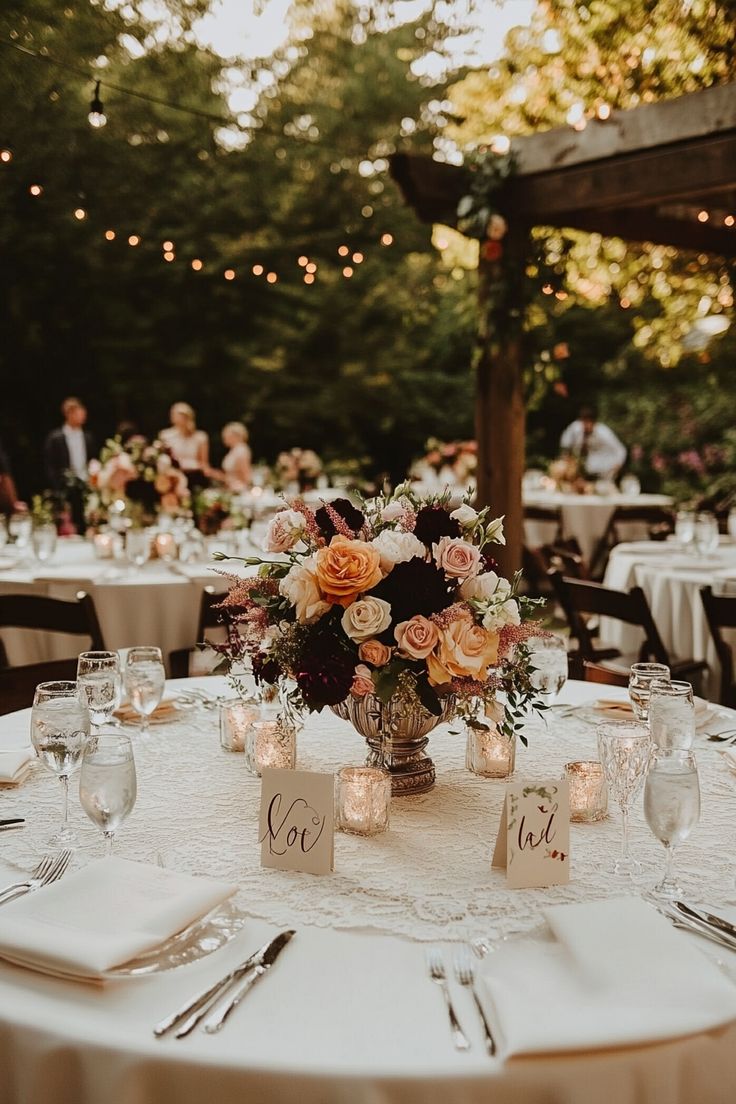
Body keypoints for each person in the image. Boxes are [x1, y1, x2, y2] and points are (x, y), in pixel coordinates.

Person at [559, 405, 626, 480]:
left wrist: (617, 465)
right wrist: (567, 458)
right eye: (583, 422)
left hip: (601, 469)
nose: (586, 425)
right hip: (576, 466)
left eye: (588, 422)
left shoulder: (603, 432)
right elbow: (565, 445)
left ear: (594, 422)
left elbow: (620, 450)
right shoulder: (575, 428)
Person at [159, 402, 209, 489]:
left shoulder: (200, 437)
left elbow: (204, 463)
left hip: (195, 475)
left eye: (183, 416)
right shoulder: (165, 435)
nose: (180, 418)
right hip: (173, 478)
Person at [208, 422, 252, 492]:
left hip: (238, 488)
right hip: (230, 487)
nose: (224, 438)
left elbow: (245, 474)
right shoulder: (234, 450)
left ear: (235, 436)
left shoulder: (241, 450)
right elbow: (230, 475)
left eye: (226, 435)